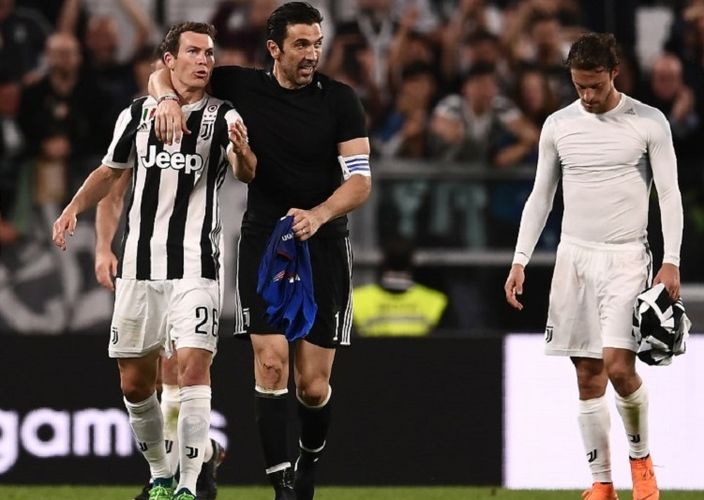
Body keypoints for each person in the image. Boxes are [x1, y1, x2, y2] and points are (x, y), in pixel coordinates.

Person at [150, 3, 371, 499]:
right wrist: (164, 100)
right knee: (270, 365)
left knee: (312, 387)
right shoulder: (242, 86)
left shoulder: (340, 100)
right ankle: (282, 486)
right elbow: (163, 72)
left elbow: (360, 182)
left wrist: (318, 214)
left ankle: (308, 462)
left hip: (324, 244)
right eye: (301, 44)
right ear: (274, 48)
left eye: (316, 43)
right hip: (265, 242)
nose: (312, 53)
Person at [53, 21, 256, 500]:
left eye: (210, 52)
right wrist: (74, 212)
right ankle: (165, 474)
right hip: (141, 268)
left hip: (196, 265)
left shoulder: (224, 115)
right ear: (170, 61)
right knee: (134, 382)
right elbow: (111, 179)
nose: (205, 60)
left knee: (189, 370)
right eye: (194, 52)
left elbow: (246, 170)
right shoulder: (138, 115)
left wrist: (245, 153)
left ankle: (187, 487)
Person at [504, 33, 683, 500]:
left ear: (614, 73)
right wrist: (520, 258)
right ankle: (601, 484)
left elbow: (669, 195)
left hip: (626, 255)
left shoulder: (648, 121)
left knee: (619, 367)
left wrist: (671, 261)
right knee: (586, 376)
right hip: (573, 257)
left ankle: (642, 464)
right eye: (579, 86)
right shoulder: (558, 125)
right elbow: (541, 196)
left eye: (595, 86)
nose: (587, 95)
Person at [352, 237, 447, 337]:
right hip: (419, 353)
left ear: (382, 260)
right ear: (412, 261)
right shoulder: (435, 301)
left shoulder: (357, 299)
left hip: (371, 352)